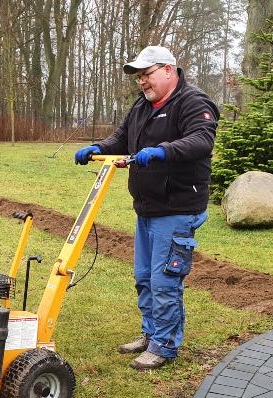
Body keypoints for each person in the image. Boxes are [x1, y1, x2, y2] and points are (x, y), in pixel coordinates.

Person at [74, 45, 219, 371]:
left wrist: (162, 151)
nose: (142, 82)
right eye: (139, 77)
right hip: (148, 207)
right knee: (144, 277)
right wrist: (99, 147)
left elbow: (201, 140)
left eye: (147, 74)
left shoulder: (193, 103)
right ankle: (152, 333)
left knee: (165, 280)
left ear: (169, 70)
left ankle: (164, 346)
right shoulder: (141, 106)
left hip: (179, 208)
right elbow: (121, 139)